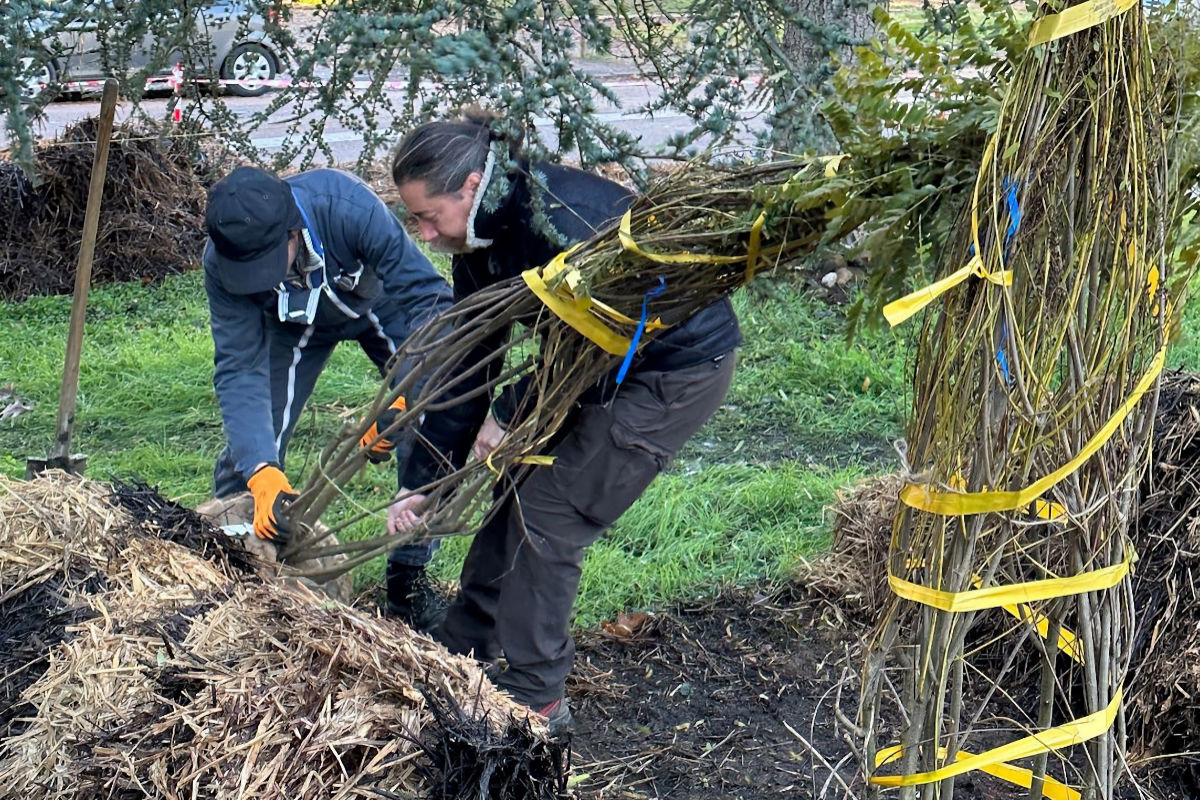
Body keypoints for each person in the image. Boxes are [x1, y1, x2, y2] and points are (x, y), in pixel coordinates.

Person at [386, 109, 740, 733]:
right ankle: (466, 645)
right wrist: (425, 482)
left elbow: (611, 345)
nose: (423, 235)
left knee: (550, 513)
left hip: (669, 370)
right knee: (516, 483)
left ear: (469, 187)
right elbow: (471, 360)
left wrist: (520, 413)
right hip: (589, 365)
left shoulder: (561, 222)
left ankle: (534, 697)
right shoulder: (483, 237)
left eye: (425, 216)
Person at [203, 165, 453, 627]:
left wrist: (407, 398)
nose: (256, 280)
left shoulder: (348, 209)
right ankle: (235, 574)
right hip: (292, 325)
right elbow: (240, 367)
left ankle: (408, 583)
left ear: (293, 234)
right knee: (251, 452)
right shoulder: (224, 261)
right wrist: (260, 468)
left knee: (432, 418)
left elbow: (430, 300)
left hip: (378, 303)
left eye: (264, 267)